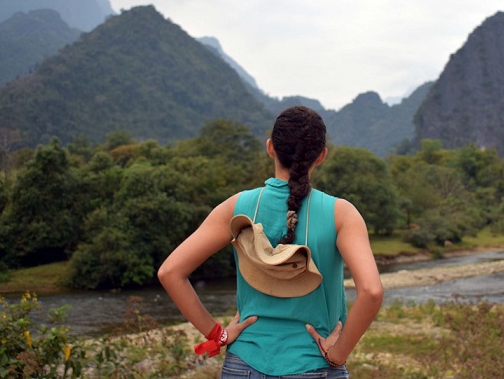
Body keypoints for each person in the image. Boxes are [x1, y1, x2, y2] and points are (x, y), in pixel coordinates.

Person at [158, 105, 383, 378]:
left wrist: (218, 334)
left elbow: (170, 272)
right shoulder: (342, 214)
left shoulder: (237, 206)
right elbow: (371, 292)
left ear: (270, 148)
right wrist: (338, 354)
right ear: (322, 156)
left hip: (243, 365)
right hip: (314, 365)